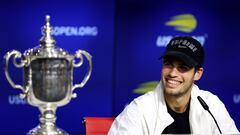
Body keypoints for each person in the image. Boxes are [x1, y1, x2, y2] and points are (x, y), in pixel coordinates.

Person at [108, 36, 239, 134]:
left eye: (183, 67)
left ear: (198, 73)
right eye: (168, 64)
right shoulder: (138, 110)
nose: (172, 73)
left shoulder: (211, 105)